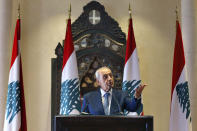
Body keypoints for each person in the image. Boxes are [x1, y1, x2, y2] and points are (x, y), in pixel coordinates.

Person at [81, 66, 146, 115]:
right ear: (98, 82)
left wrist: (137, 96)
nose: (109, 79)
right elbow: (83, 119)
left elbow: (133, 107)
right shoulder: (88, 97)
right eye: (105, 77)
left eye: (111, 76)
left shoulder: (121, 95)